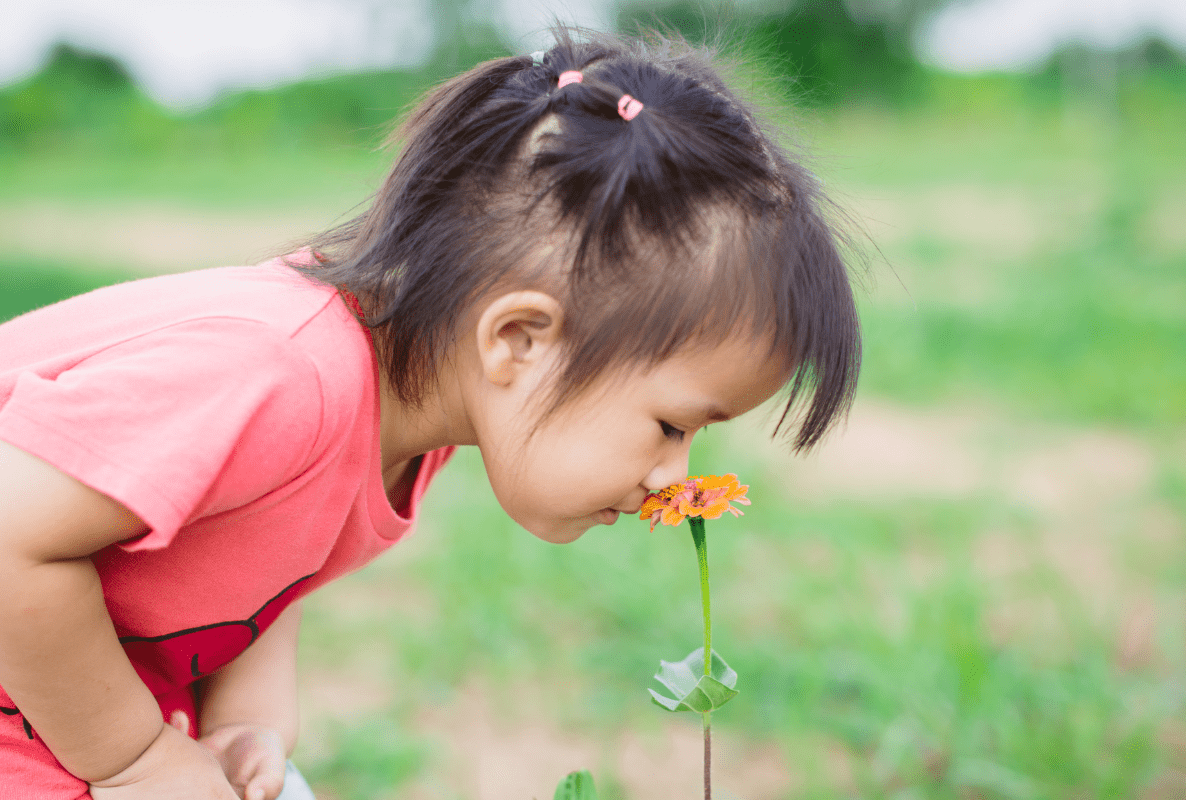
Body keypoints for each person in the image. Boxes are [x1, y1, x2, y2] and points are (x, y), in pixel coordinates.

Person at [0, 27, 861, 800]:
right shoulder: (280, 374)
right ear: (519, 340)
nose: (676, 477)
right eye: (673, 425)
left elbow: (260, 544)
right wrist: (133, 761)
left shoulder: (415, 404)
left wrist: (244, 717)